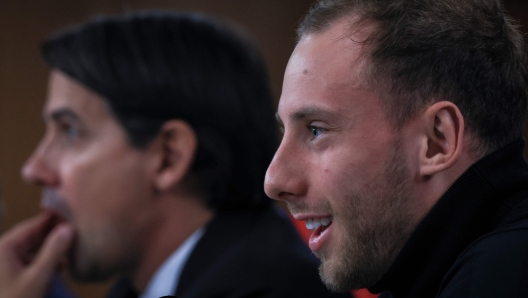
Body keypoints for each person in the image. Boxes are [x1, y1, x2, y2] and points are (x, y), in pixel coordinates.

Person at [0, 11, 352, 298]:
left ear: (169, 156)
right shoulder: (138, 286)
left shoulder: (270, 289)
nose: (34, 169)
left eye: (71, 132)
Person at [264, 0, 528, 297]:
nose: (274, 181)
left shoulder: (497, 278)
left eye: (316, 130)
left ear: (436, 140)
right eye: (284, 130)